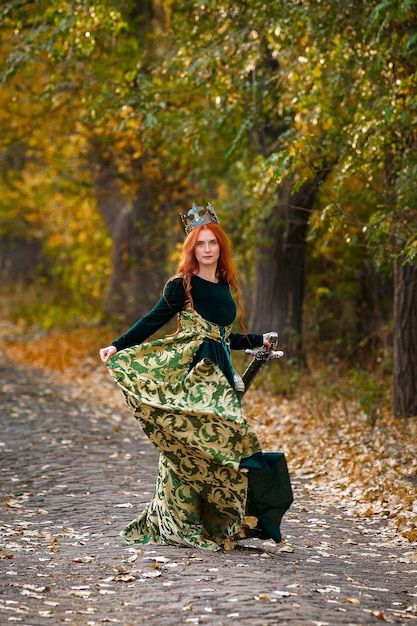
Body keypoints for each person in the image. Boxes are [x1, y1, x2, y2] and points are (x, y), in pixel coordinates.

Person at [100, 202, 293, 551]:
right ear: (192, 248)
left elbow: (223, 336)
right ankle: (180, 519)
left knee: (221, 443)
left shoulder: (224, 285)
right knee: (192, 442)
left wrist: (256, 340)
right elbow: (151, 320)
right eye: (200, 244)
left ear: (221, 246)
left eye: (212, 243)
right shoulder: (182, 286)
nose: (207, 250)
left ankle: (222, 520)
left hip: (222, 372)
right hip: (196, 374)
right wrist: (118, 345)